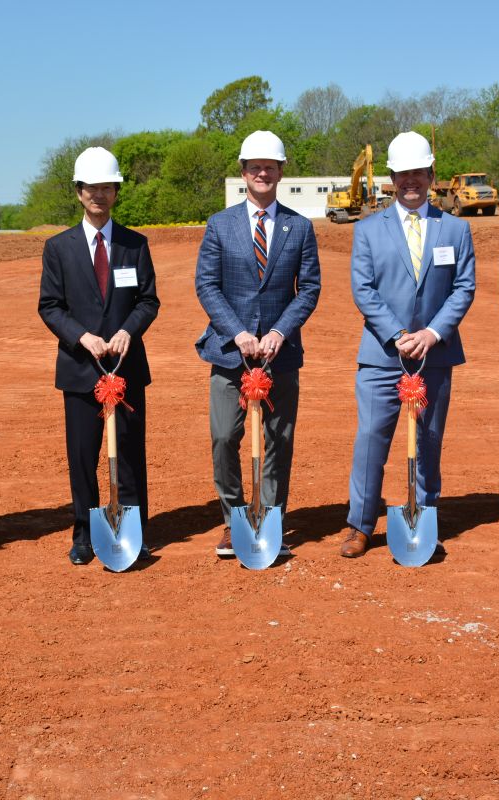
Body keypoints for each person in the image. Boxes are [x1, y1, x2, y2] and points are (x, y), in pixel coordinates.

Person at [342, 131, 476, 558]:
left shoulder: (455, 228)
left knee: (429, 438)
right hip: (382, 354)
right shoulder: (367, 230)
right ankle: (361, 525)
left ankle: (424, 516)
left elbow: (463, 287)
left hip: (434, 354)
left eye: (419, 172)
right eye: (403, 174)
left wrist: (432, 333)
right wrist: (398, 335)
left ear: (432, 175)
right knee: (371, 439)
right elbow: (363, 290)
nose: (411, 181)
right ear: (392, 179)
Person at [194, 130, 321, 557]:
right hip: (230, 353)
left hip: (279, 356)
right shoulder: (219, 225)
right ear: (243, 172)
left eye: (270, 166)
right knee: (222, 437)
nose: (262, 173)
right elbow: (207, 286)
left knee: (278, 441)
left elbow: (308, 289)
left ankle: (268, 519)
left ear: (281, 171)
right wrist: (239, 332)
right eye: (254, 167)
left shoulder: (299, 228)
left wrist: (279, 332)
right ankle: (233, 520)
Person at [39, 147, 160, 566]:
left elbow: (148, 300)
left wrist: (128, 330)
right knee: (83, 456)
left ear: (116, 191)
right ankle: (84, 534)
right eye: (91, 187)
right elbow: (50, 306)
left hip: (127, 368)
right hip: (80, 369)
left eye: (107, 187)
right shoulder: (59, 248)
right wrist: (81, 337)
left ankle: (133, 532)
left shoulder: (134, 245)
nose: (99, 195)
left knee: (128, 453)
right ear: (78, 192)